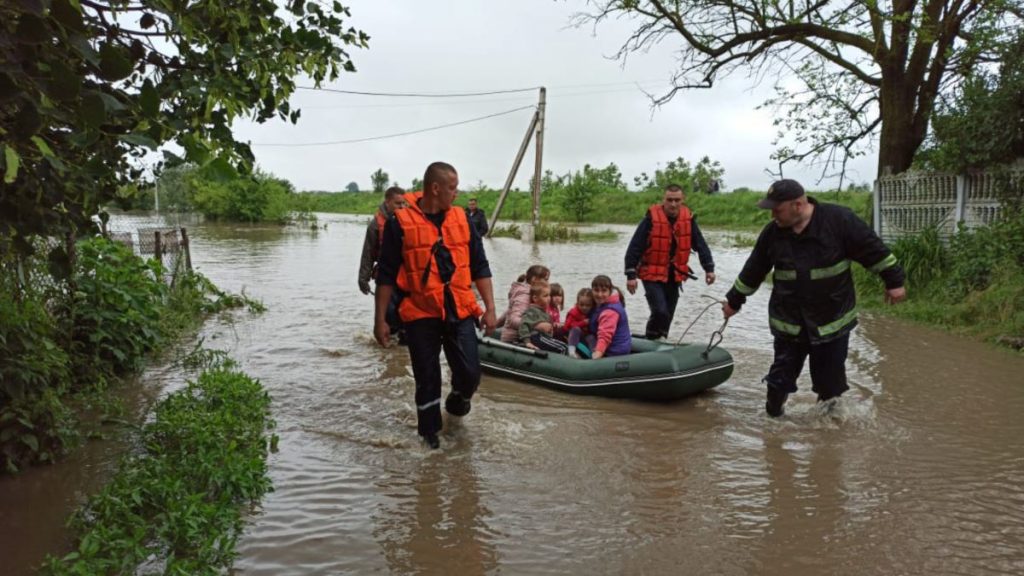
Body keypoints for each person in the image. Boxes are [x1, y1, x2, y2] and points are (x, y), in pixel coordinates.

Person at [722, 179, 907, 417]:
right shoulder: (773, 234)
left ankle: (827, 438)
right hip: (789, 323)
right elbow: (753, 270)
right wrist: (734, 301)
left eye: (777, 210)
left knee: (830, 385)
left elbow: (873, 251)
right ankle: (772, 425)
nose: (772, 216)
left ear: (798, 204)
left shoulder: (839, 221)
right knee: (779, 380)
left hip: (832, 320)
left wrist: (894, 282)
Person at [374, 162, 497, 449]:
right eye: (453, 187)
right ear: (436, 188)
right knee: (427, 378)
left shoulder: (463, 219)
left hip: (460, 308)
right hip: (420, 312)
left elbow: (480, 265)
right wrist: (380, 319)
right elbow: (386, 275)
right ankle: (430, 442)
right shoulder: (399, 223)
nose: (457, 193)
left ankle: (457, 401)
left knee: (470, 374)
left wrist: (490, 307)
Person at [624, 184, 716, 341]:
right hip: (651, 273)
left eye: (677, 200)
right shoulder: (650, 219)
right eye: (670, 200)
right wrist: (631, 275)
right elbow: (635, 247)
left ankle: (659, 339)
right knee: (660, 311)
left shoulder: (688, 219)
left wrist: (709, 268)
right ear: (663, 200)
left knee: (668, 314)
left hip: (675, 274)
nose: (673, 204)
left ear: (682, 200)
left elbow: (700, 244)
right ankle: (652, 338)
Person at [359, 186, 407, 335]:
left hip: (407, 277)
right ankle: (390, 352)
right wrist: (363, 279)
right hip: (387, 276)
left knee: (407, 316)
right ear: (387, 202)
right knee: (390, 314)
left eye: (404, 203)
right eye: (398, 204)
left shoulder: (409, 222)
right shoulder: (375, 225)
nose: (402, 207)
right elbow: (368, 253)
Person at [497, 264, 550, 343]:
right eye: (545, 279)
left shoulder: (532, 293)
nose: (548, 283)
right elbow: (513, 320)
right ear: (534, 279)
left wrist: (495, 324)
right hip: (515, 339)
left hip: (524, 336)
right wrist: (537, 326)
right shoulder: (524, 295)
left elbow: (508, 313)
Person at [518, 280, 569, 354]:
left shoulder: (544, 312)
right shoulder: (532, 311)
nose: (549, 298)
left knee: (564, 344)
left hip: (545, 337)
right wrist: (527, 342)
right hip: (536, 337)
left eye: (549, 295)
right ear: (535, 298)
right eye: (545, 296)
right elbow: (523, 325)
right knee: (563, 348)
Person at [589, 275, 631, 359]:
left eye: (604, 291)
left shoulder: (609, 311)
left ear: (609, 291)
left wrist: (597, 354)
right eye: (596, 290)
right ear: (592, 290)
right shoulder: (603, 304)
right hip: (618, 348)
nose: (600, 294)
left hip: (613, 352)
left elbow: (605, 335)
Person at [562, 287, 595, 358]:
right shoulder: (574, 312)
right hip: (572, 335)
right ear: (577, 303)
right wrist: (582, 323)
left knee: (591, 337)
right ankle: (571, 351)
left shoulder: (592, 313)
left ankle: (594, 354)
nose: (584, 307)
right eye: (581, 305)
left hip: (585, 336)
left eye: (588, 305)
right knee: (576, 329)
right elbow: (566, 327)